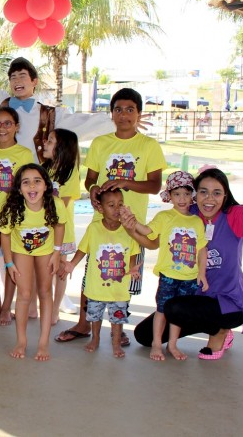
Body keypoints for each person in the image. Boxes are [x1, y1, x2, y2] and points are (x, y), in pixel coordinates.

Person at [56, 88, 166, 344]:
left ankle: (118, 328)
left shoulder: (148, 146)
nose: (124, 115)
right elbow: (91, 180)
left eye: (130, 110)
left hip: (131, 224)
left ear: (139, 114)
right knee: (93, 273)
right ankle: (84, 324)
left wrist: (124, 182)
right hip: (101, 221)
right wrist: (93, 190)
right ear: (111, 113)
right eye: (118, 109)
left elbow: (154, 186)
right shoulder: (101, 143)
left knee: (124, 274)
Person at [0, 30, 115, 161]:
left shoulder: (51, 114)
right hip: (0, 177)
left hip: (32, 184)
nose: (17, 81)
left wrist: (119, 122)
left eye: (22, 76)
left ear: (34, 81)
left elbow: (84, 123)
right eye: (13, 77)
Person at [133, 167, 243, 360]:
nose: (209, 199)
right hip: (193, 296)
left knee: (177, 308)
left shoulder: (235, 215)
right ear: (195, 194)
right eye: (203, 192)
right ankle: (209, 323)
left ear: (225, 195)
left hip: (228, 301)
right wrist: (131, 229)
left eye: (217, 193)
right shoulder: (190, 214)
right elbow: (154, 242)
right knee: (143, 335)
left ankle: (220, 332)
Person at [121, 171, 208, 361]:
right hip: (168, 275)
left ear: (192, 195)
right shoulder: (164, 217)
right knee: (162, 310)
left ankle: (173, 345)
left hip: (190, 277)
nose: (182, 198)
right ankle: (156, 344)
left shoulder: (196, 221)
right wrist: (132, 221)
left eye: (186, 193)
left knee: (179, 313)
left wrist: (201, 273)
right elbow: (147, 231)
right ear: (169, 196)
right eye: (177, 194)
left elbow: (202, 249)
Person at [61, 189, 140, 358]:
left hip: (119, 289)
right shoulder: (94, 228)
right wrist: (72, 265)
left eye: (120, 204)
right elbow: (83, 249)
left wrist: (133, 268)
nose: (116, 208)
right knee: (95, 316)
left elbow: (133, 252)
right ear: (101, 208)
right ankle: (95, 339)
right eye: (111, 205)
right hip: (96, 286)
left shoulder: (128, 229)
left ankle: (116, 344)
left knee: (117, 318)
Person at [0, 163, 65, 361]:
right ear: (19, 188)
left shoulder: (55, 204)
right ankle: (21, 341)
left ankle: (43, 342)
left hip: (46, 251)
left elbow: (59, 226)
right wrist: (9, 263)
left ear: (46, 185)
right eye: (26, 183)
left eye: (37, 181)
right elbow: (5, 235)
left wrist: (57, 253)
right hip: (22, 251)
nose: (32, 187)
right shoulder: (12, 207)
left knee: (45, 292)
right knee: (24, 293)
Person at [0, 107, 35, 325]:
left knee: (12, 264)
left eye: (7, 123)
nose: (2, 128)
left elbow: (29, 187)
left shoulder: (24, 154)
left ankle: (6, 308)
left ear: (16, 127)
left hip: (15, 219)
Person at [41, 129, 81, 323]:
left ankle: (55, 309)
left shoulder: (71, 171)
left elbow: (61, 204)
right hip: (42, 231)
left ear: (62, 147)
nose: (45, 143)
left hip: (60, 232)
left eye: (50, 141)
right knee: (44, 271)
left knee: (60, 272)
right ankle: (44, 307)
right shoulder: (44, 168)